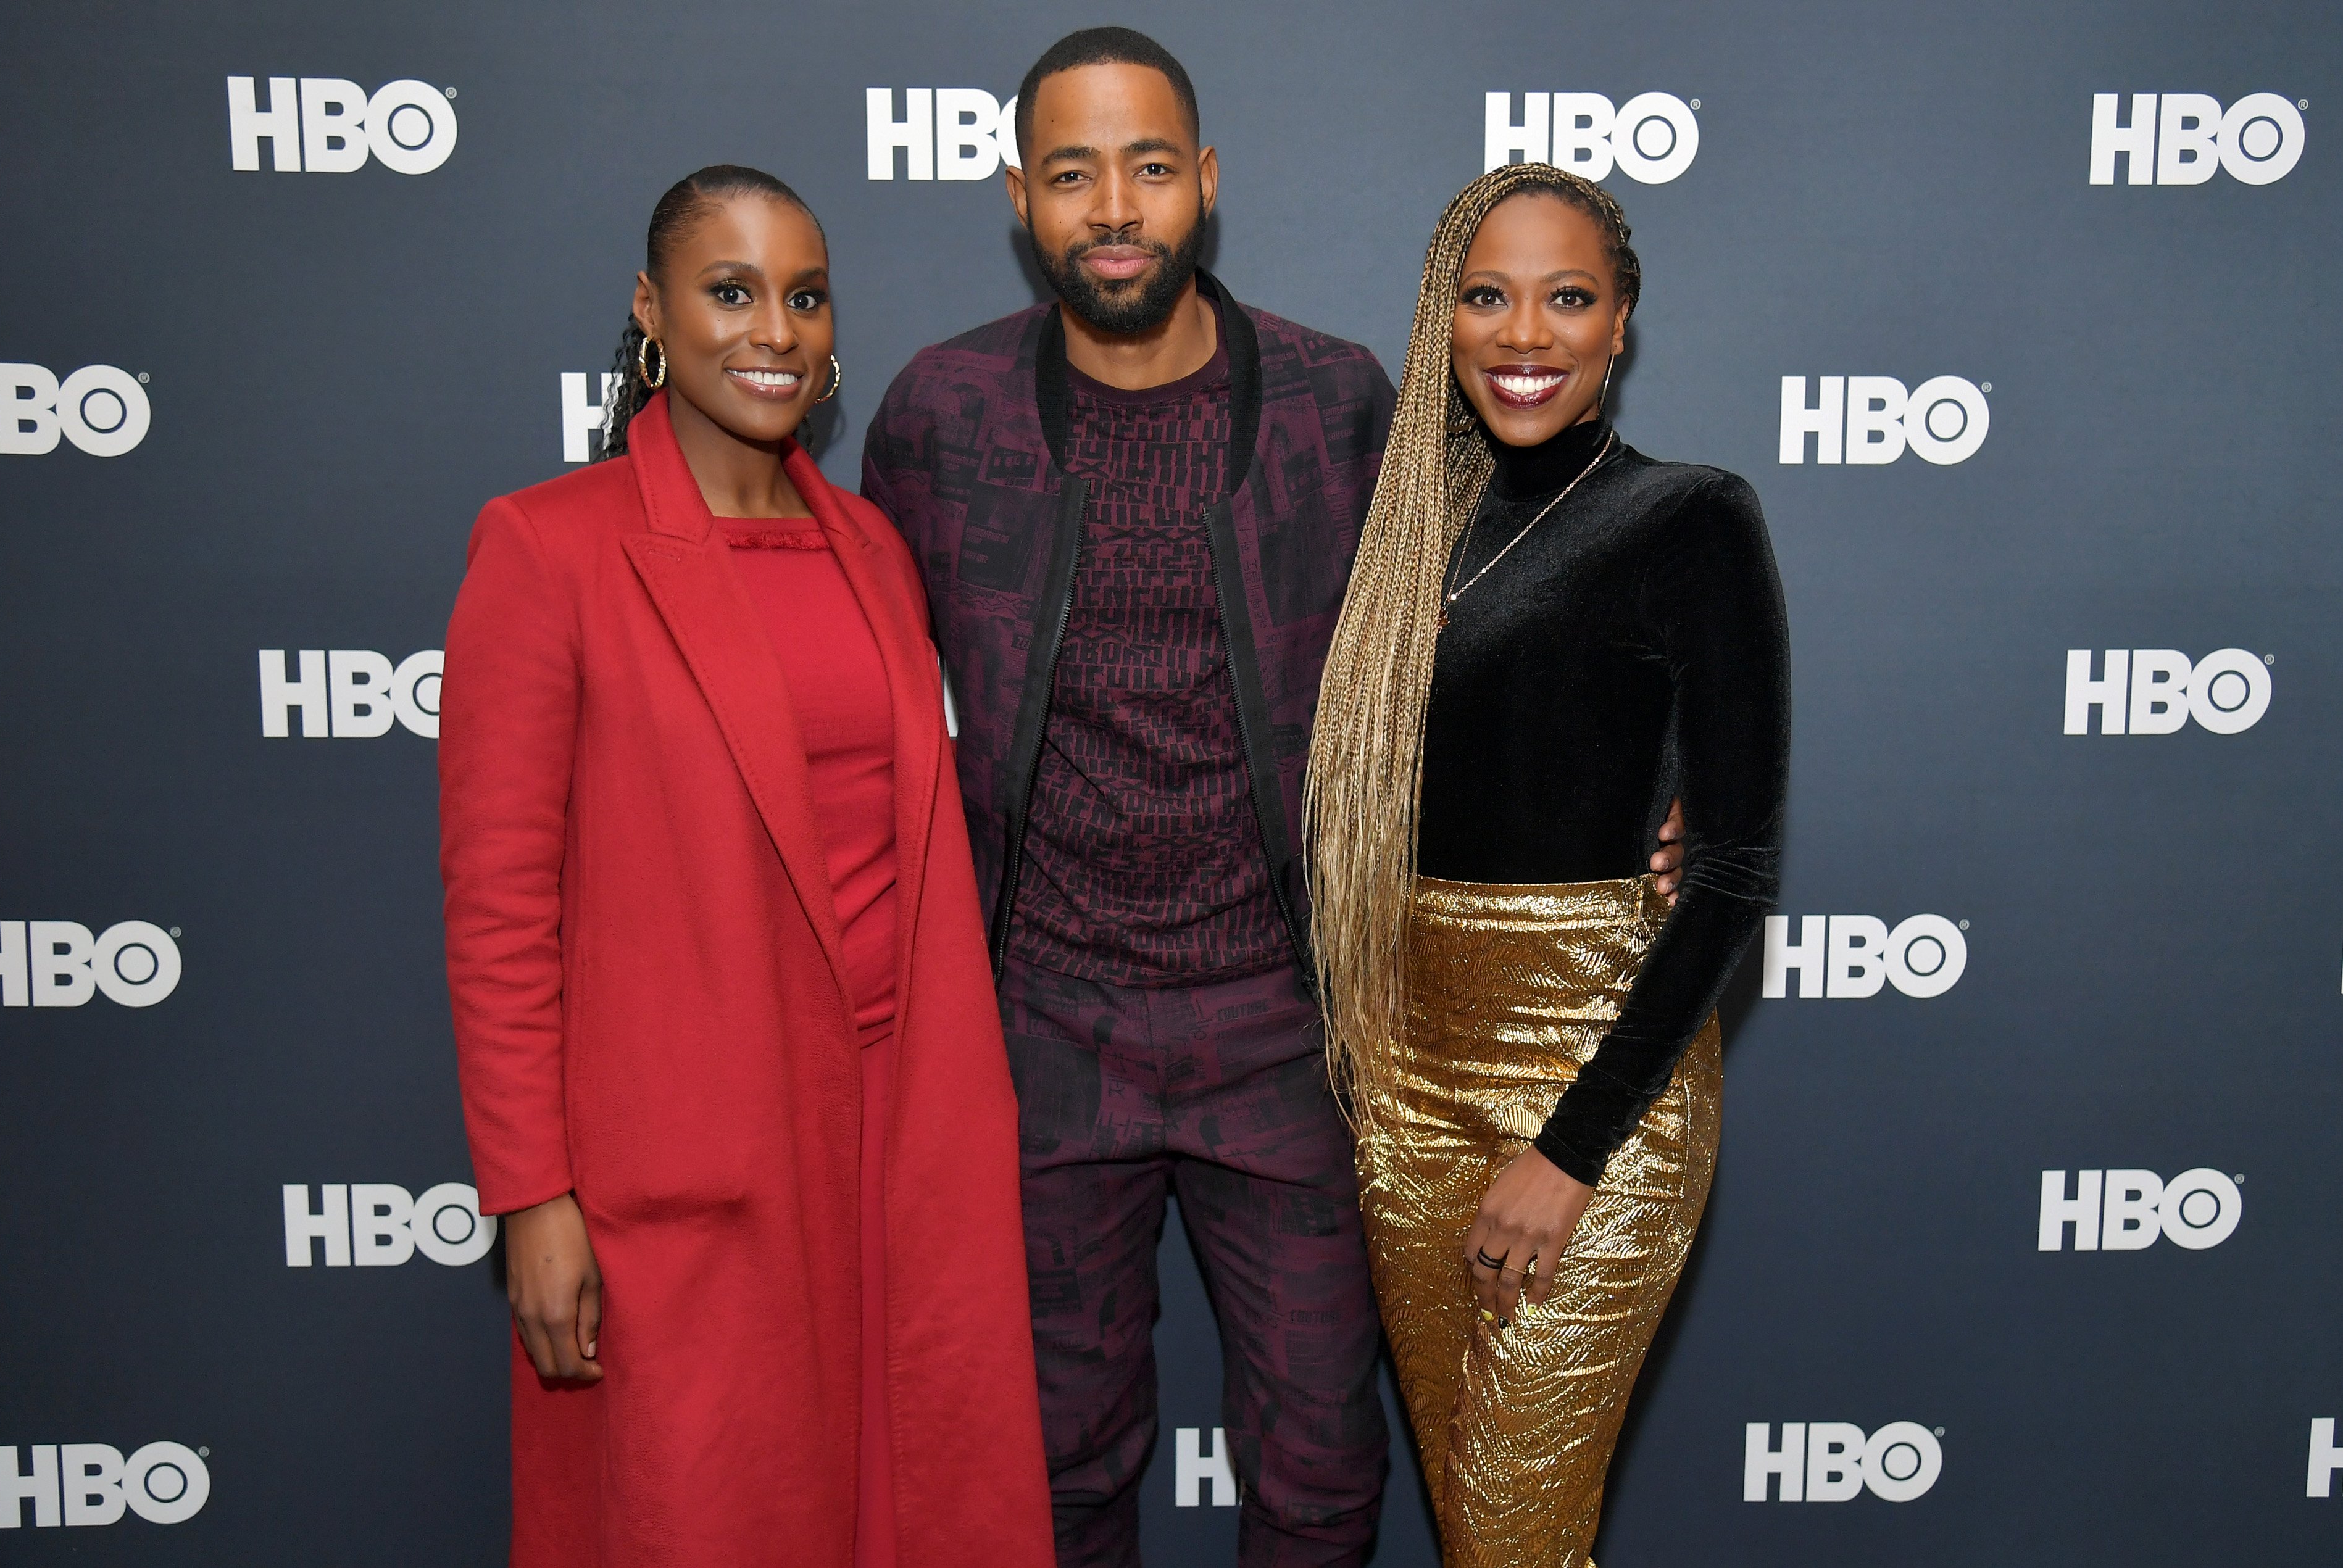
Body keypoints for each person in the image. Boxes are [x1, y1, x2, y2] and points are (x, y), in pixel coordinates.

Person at [860, 30, 1686, 1567]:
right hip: (1036, 1027)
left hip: (1288, 1026)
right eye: (1073, 172)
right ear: (1019, 199)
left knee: (1319, 1467)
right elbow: (846, 687)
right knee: (1057, 1460)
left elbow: (1464, 647)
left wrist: (1642, 788)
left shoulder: (1334, 403)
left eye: (1150, 167)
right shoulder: (938, 416)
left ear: (1207, 186)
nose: (1115, 206)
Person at [438, 165, 1052, 1568]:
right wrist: (532, 1197)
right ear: (652, 311)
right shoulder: (547, 547)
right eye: (730, 290)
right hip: (694, 1152)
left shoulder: (873, 548)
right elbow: (500, 907)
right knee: (713, 1512)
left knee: (922, 1504)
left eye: (805, 295)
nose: (773, 327)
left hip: (905, 1130)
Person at [1304, 162, 1791, 1566]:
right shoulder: (1406, 539)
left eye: (1568, 297)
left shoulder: (1690, 517)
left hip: (1594, 1086)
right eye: (1488, 295)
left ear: (1622, 321)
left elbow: (1735, 865)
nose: (1526, 333)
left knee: (1514, 1530)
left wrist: (1572, 1148)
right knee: (1482, 1527)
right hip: (1404, 1082)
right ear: (1440, 316)